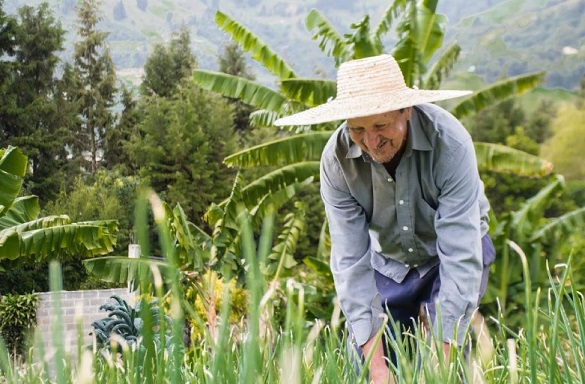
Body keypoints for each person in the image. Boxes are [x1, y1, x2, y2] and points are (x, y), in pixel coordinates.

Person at [274, 54, 495, 383]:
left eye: (380, 126)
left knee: (444, 368)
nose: (371, 142)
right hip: (388, 263)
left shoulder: (450, 144)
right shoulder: (336, 163)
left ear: (406, 110)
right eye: (358, 130)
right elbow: (350, 263)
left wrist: (441, 366)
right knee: (370, 367)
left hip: (451, 254)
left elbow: (460, 257)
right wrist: (377, 371)